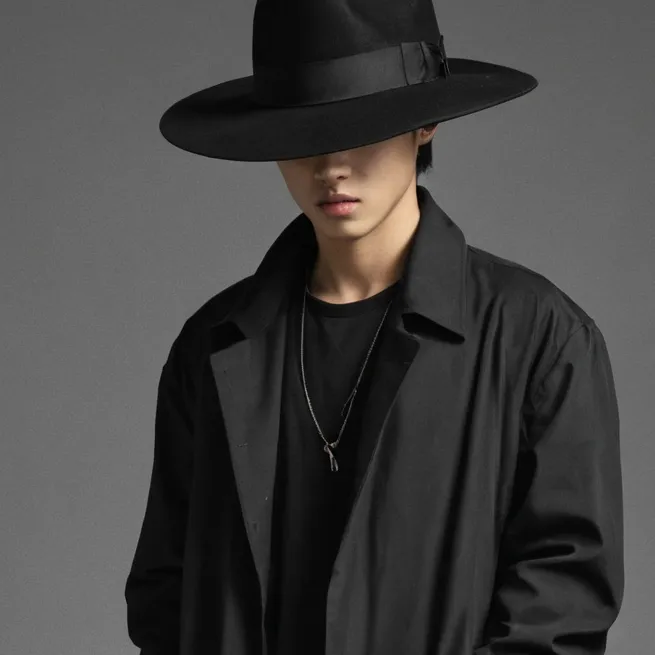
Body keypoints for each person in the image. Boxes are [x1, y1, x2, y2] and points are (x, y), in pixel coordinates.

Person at [124, 1, 625, 654]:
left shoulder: (537, 337)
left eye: (362, 129)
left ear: (425, 124)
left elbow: (560, 604)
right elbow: (165, 592)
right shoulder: (213, 343)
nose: (331, 166)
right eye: (305, 132)